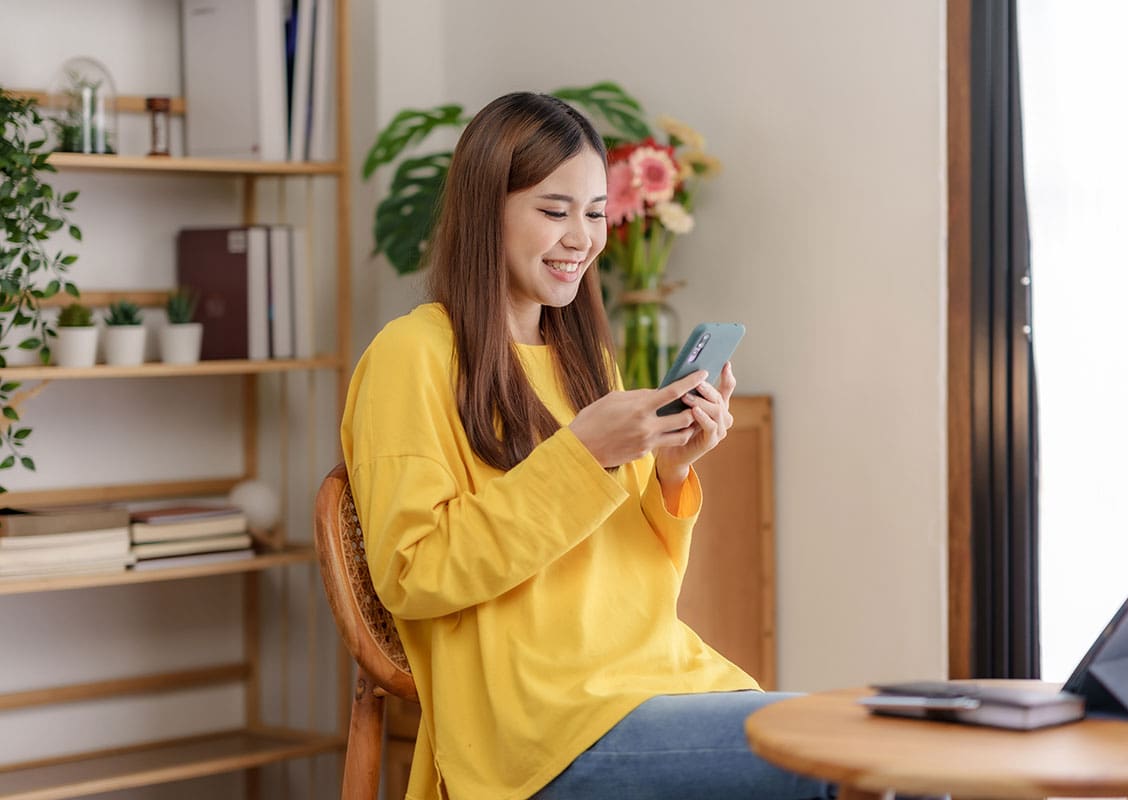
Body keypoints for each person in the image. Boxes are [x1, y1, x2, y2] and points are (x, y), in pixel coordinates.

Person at [341, 92, 833, 800]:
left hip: (655, 681)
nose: (583, 237)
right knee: (837, 762)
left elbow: (633, 587)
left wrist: (670, 471)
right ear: (487, 209)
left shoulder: (586, 364)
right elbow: (413, 572)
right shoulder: (411, 356)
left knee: (880, 746)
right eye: (554, 211)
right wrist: (581, 456)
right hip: (540, 728)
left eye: (596, 213)